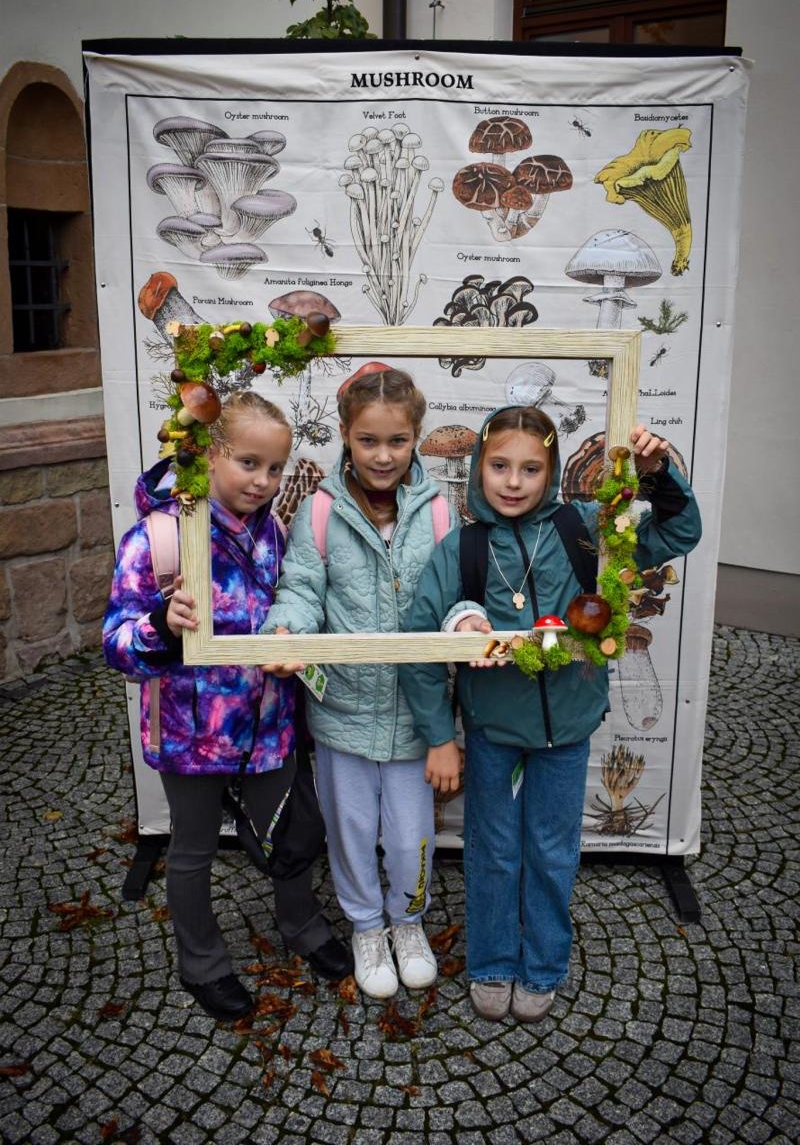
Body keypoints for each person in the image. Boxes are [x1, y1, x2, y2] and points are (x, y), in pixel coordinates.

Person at [400, 406, 702, 1023]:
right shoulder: (463, 548)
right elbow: (421, 645)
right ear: (480, 467)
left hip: (567, 730)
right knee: (493, 848)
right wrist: (439, 735)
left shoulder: (584, 528)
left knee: (553, 848)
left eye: (530, 468)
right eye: (500, 466)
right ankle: (491, 961)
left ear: (552, 470)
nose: (513, 482)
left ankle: (542, 962)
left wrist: (658, 477)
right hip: (492, 733)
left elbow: (673, 536)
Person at [103, 392, 351, 1022]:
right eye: (248, 463)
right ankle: (203, 962)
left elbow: (292, 609)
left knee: (289, 836)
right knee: (191, 851)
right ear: (210, 455)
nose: (263, 482)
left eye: (274, 468)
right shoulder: (158, 536)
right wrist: (162, 623)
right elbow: (118, 646)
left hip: (268, 724)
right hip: (191, 733)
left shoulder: (272, 531)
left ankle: (302, 926)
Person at [262, 367, 457, 1000]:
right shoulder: (321, 512)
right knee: (349, 834)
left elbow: (457, 594)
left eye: (397, 441)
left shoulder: (439, 513)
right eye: (368, 441)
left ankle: (408, 922)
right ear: (346, 436)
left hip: (414, 718)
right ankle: (367, 926)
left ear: (415, 438)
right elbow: (300, 588)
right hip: (342, 712)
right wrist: (286, 630)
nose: (383, 456)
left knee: (410, 838)